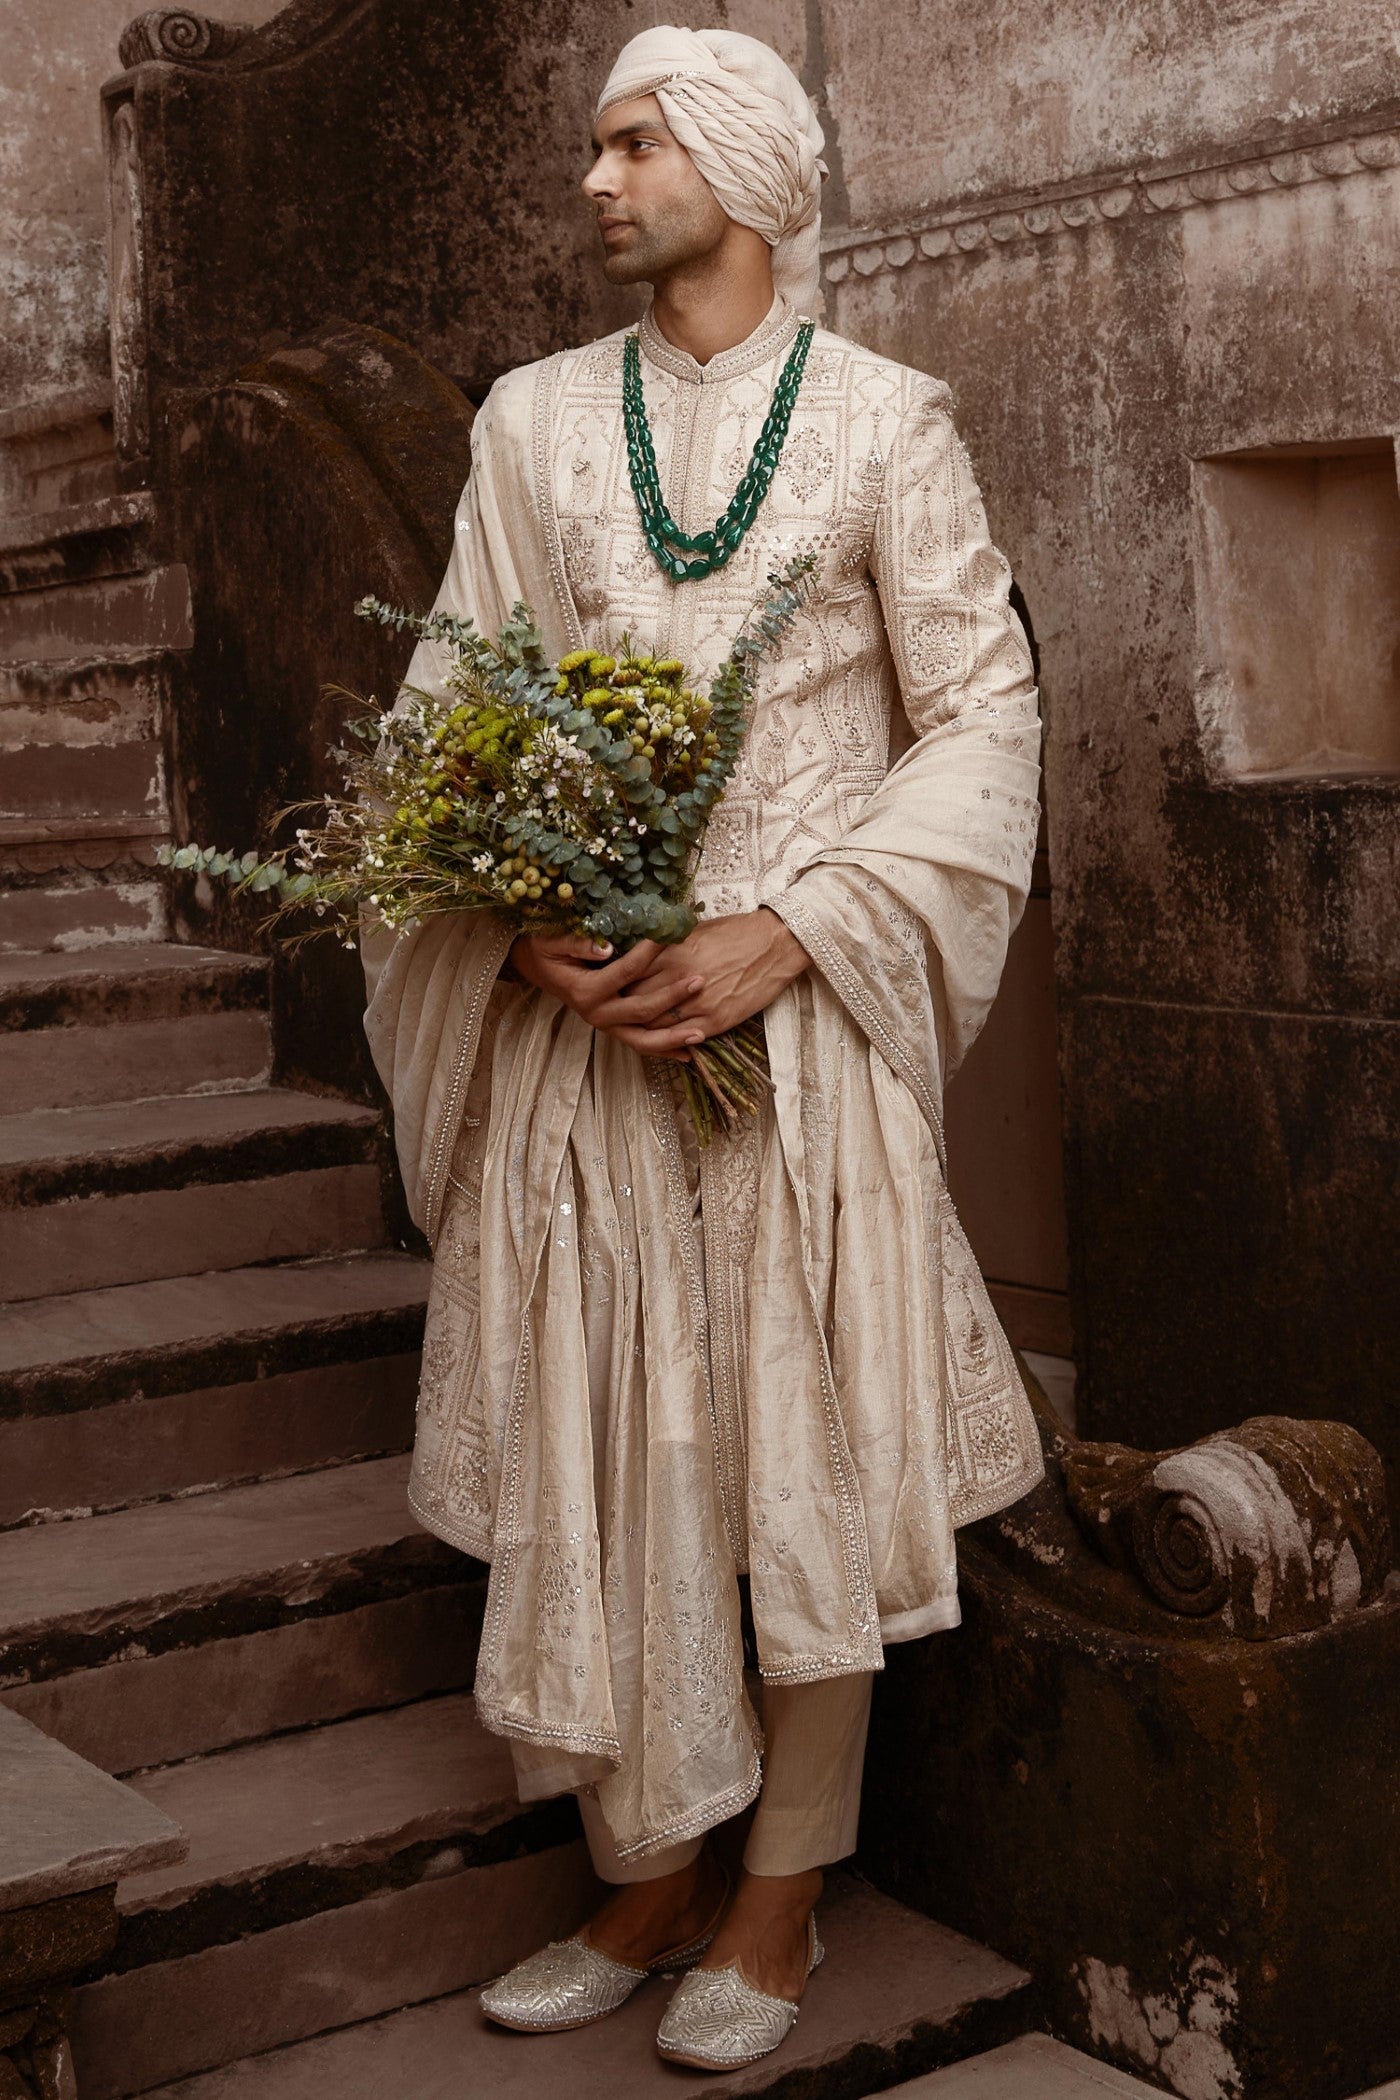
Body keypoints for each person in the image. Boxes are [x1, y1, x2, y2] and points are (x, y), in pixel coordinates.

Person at [361, 22, 1044, 2073]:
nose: (596, 179)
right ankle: (642, 1870)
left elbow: (984, 715)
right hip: (586, 1042)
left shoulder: (887, 426)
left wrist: (791, 927)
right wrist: (523, 916)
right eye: (595, 143)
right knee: (613, 1445)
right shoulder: (530, 424)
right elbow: (446, 712)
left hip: (794, 1031)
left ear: (738, 167)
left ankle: (778, 1900)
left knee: (802, 1461)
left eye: (631, 142)